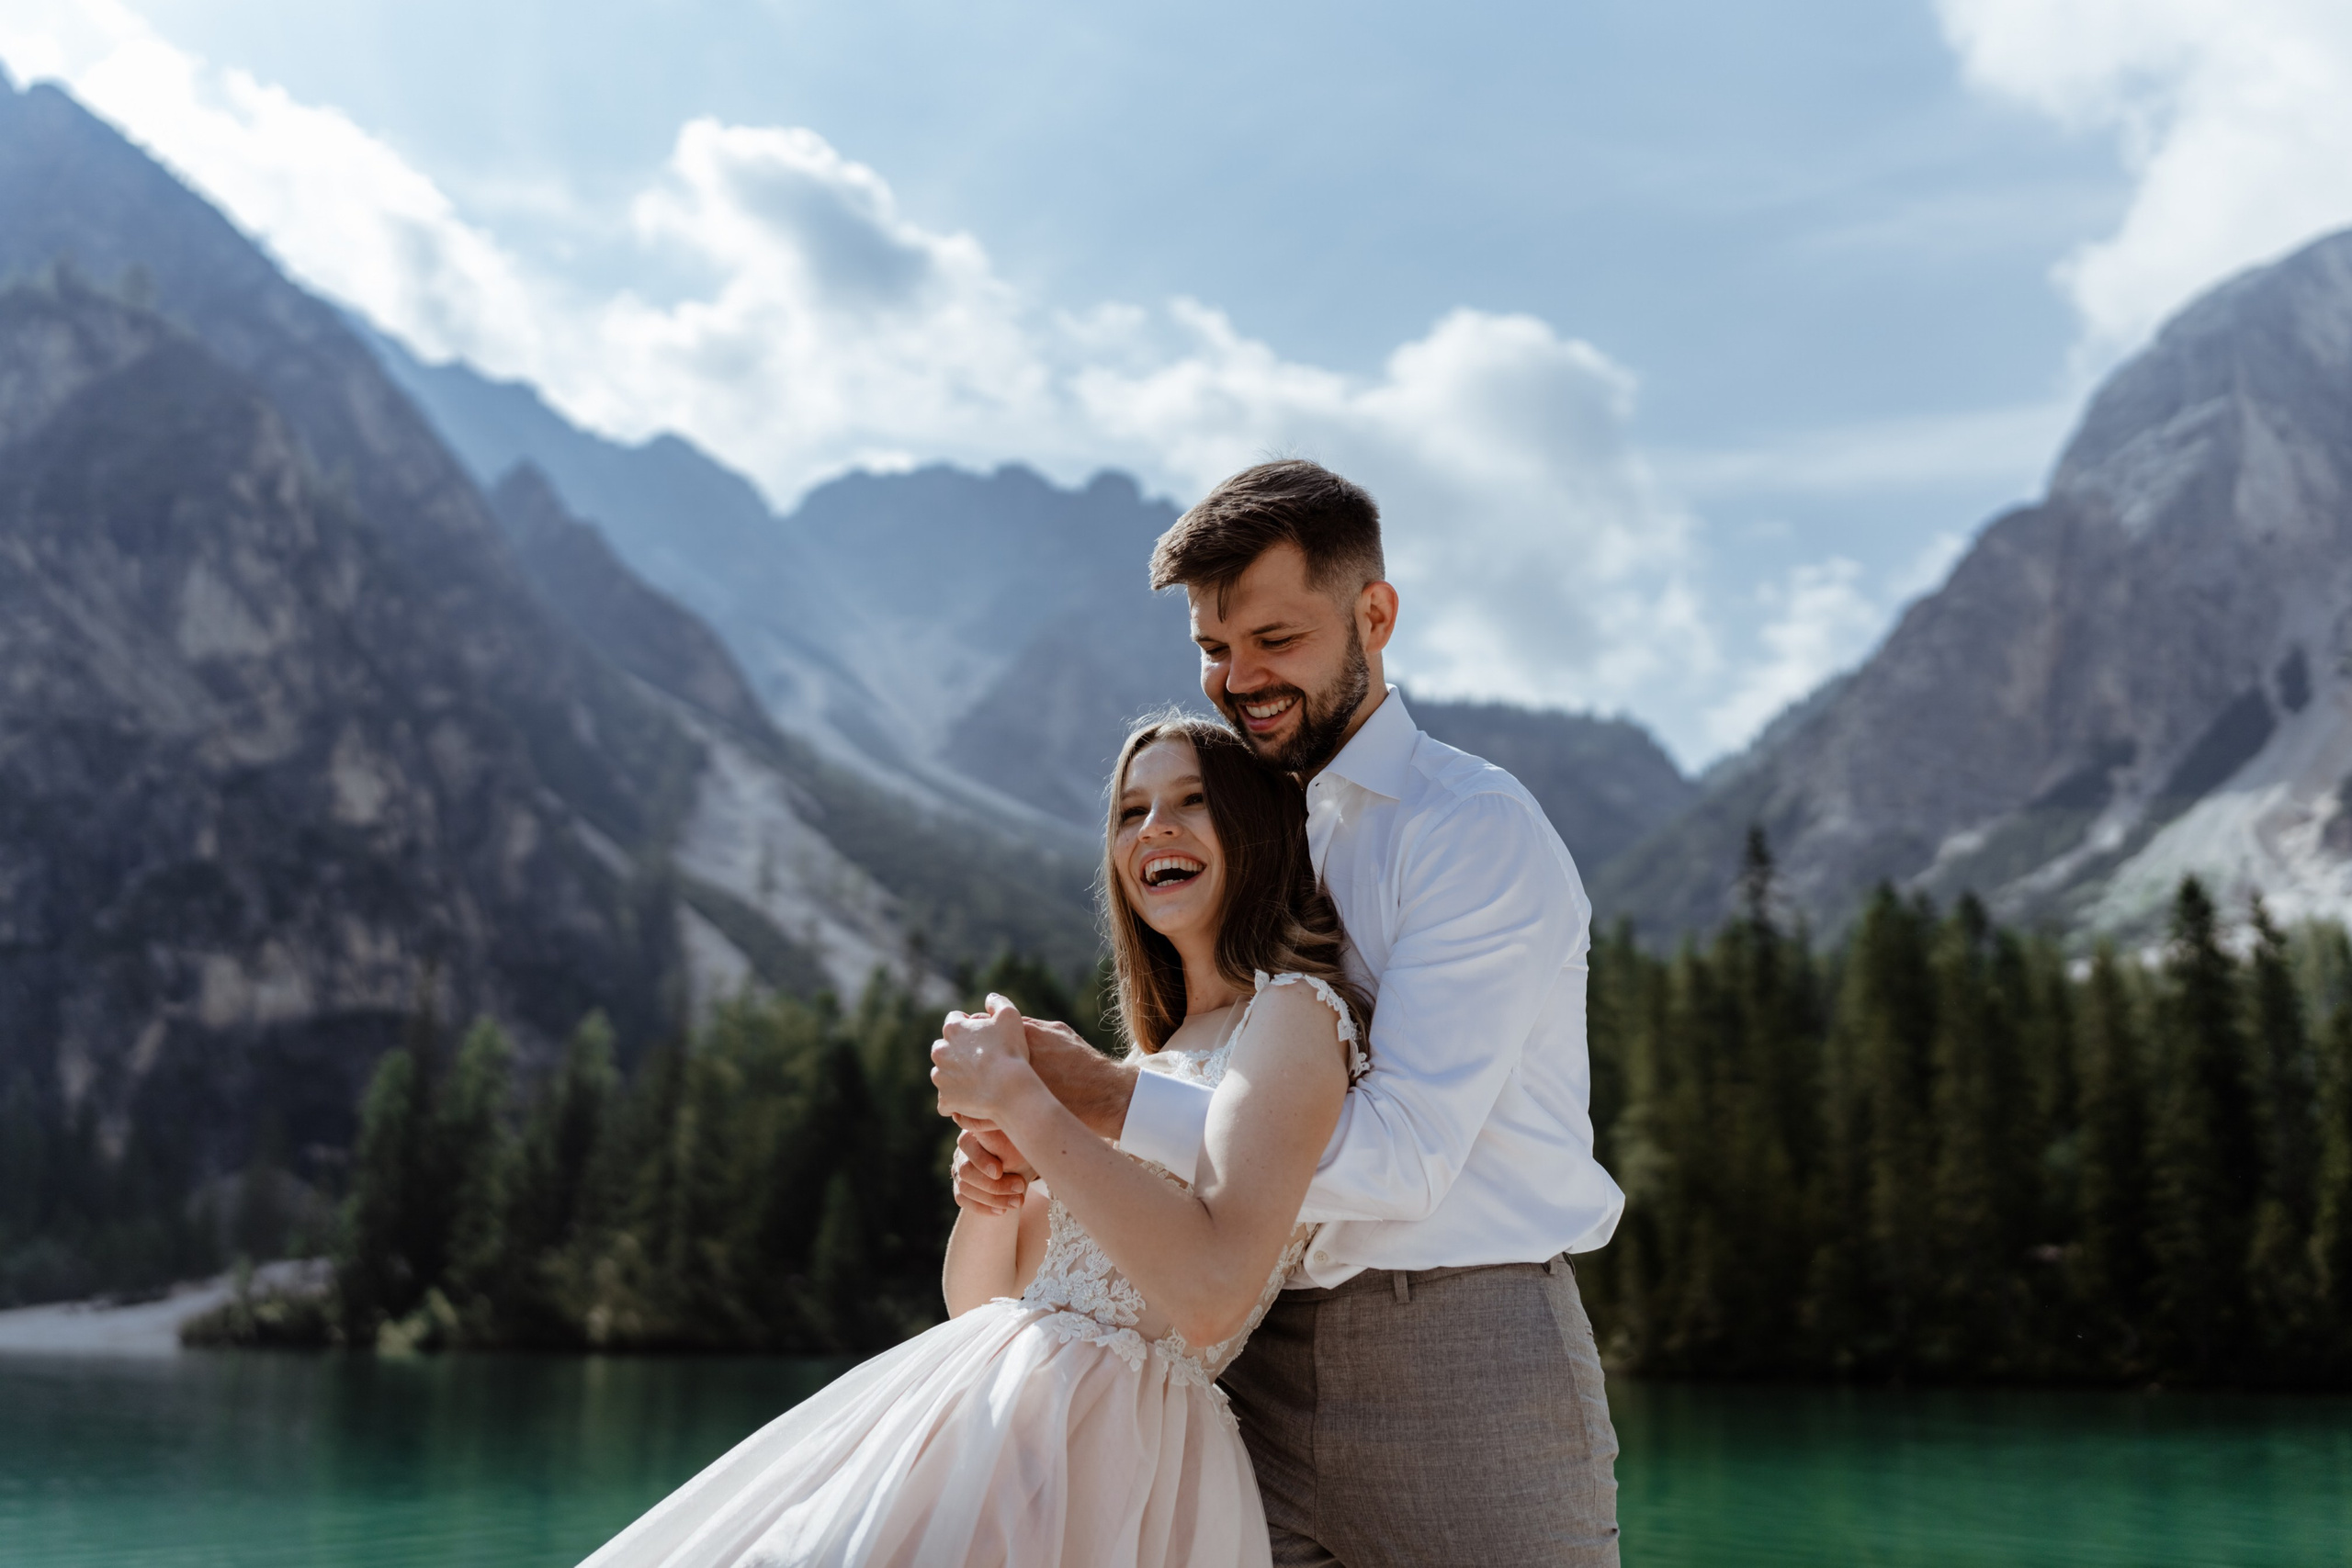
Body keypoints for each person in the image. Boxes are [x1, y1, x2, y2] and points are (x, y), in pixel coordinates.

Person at [954, 459, 1625, 1566]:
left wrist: (1110, 1101)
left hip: (1458, 1355)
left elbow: (1404, 1158)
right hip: (1233, 1382)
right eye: (1215, 650)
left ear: (1375, 614)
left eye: (1276, 639)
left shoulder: (1469, 829)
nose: (1240, 677)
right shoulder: (1253, 831)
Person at [577, 714, 1371, 1568]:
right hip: (989, 1413)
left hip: (1115, 1457)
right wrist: (991, 1189)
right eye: (1129, 812)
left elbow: (1213, 1289)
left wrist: (1029, 1106)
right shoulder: (1150, 1056)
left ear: (1255, 828)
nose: (1155, 828)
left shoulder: (1294, 1015)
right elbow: (983, 1298)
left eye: (1191, 801)